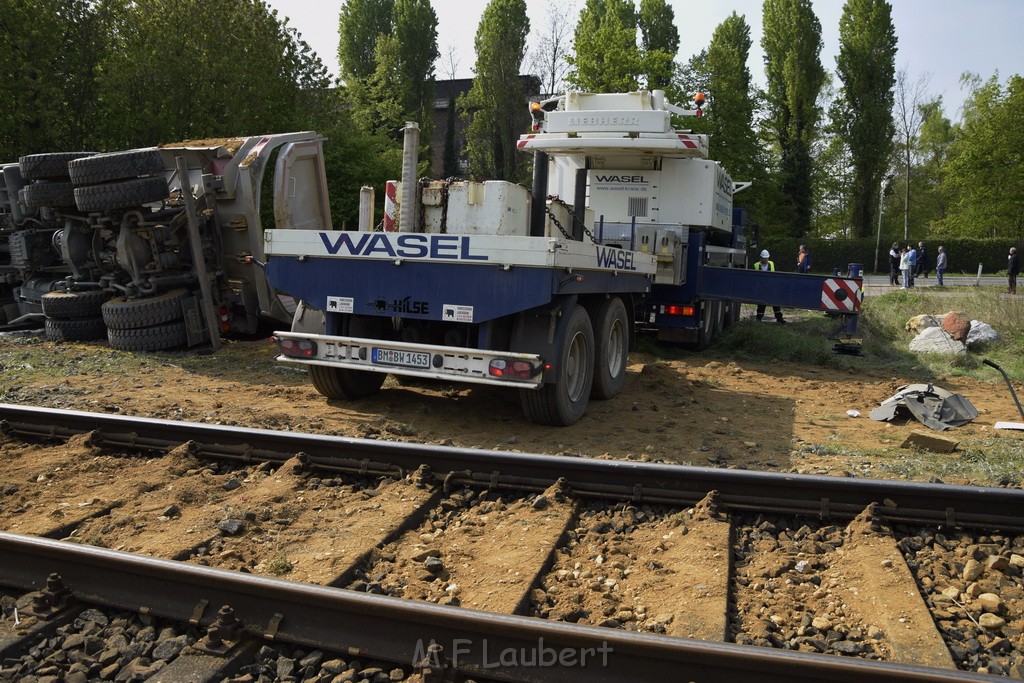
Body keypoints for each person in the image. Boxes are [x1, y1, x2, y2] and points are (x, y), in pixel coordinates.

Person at [753, 249, 785, 323]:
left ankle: (779, 318)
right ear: (761, 258)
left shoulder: (772, 264)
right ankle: (758, 318)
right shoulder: (756, 265)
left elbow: (776, 275)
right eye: (764, 258)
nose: (765, 260)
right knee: (761, 304)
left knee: (776, 304)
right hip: (761, 288)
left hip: (772, 287)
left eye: (766, 258)